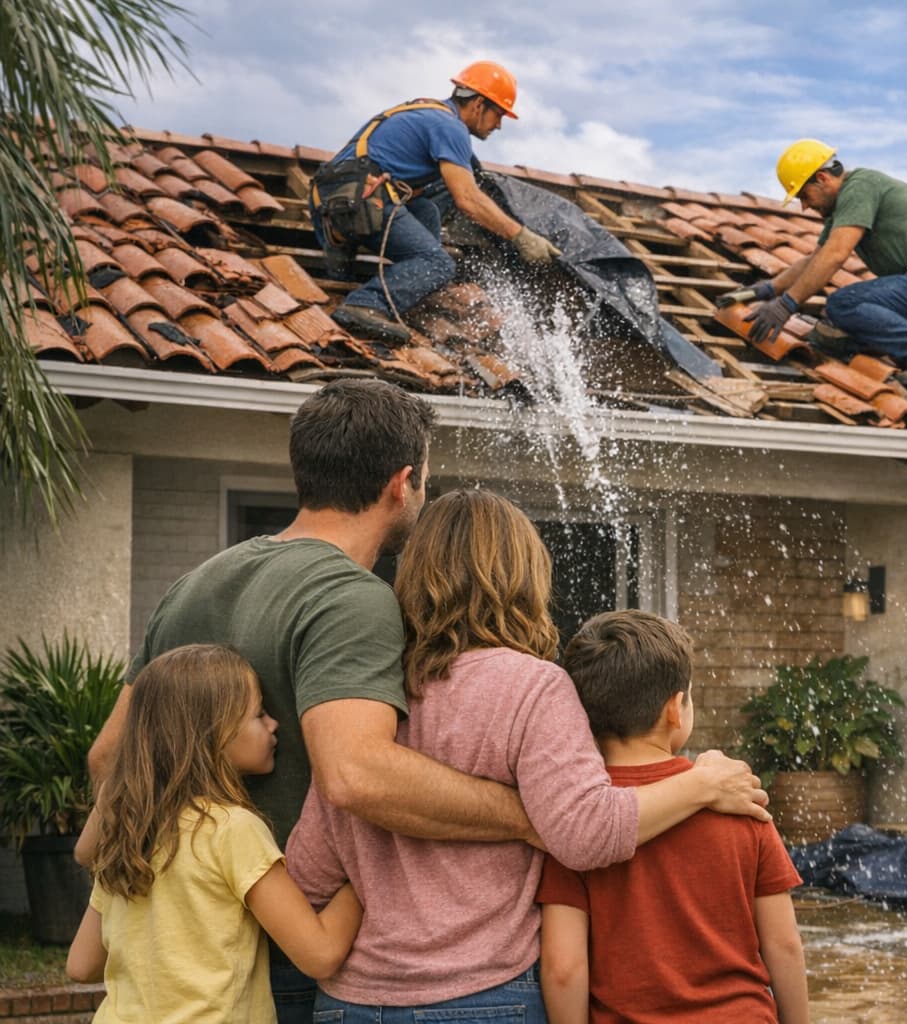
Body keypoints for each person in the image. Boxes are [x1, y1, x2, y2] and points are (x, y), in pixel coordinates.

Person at [85, 378, 533, 1022]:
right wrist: (528, 816)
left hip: (180, 955)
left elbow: (108, 760)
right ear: (400, 483)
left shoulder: (192, 586)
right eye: (425, 483)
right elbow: (356, 774)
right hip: (291, 949)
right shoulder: (352, 596)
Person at [284, 491, 771, 1022]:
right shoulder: (533, 688)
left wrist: (383, 876)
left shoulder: (367, 699)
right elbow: (585, 833)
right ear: (522, 577)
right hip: (481, 998)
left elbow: (309, 875)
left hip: (351, 1003)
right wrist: (702, 784)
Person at [538, 610, 809, 1024]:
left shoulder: (578, 820)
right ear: (674, 711)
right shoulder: (740, 801)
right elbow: (784, 944)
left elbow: (563, 969)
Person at [67, 645, 362, 1023]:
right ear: (214, 734)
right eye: (258, 714)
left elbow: (81, 964)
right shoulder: (232, 830)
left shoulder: (129, 834)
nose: (273, 724)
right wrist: (364, 877)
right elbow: (318, 953)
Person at [309, 60, 561, 344]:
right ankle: (366, 305)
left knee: (427, 208)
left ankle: (398, 275)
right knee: (437, 263)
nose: (500, 125)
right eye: (499, 114)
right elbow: (467, 198)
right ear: (478, 104)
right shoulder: (450, 128)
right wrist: (521, 236)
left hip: (335, 200)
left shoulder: (425, 111)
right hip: (358, 204)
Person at [718, 138, 907, 390]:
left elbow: (835, 254)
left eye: (804, 196)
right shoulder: (847, 203)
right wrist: (766, 290)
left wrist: (787, 305)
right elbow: (815, 259)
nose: (804, 206)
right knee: (831, 334)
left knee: (843, 304)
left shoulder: (859, 187)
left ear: (822, 178)